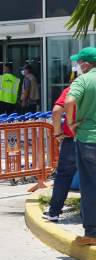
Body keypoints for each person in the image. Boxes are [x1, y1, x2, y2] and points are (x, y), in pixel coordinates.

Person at [44, 64, 86, 222]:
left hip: (71, 140)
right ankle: (87, 214)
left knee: (63, 176)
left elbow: (56, 111)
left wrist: (58, 132)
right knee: (89, 177)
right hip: (91, 138)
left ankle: (54, 211)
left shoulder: (70, 90)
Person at [66, 47, 96, 245]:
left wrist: (70, 123)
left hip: (88, 139)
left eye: (79, 62)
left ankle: (92, 234)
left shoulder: (83, 80)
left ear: (86, 64)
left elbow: (69, 101)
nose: (78, 66)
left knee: (90, 186)